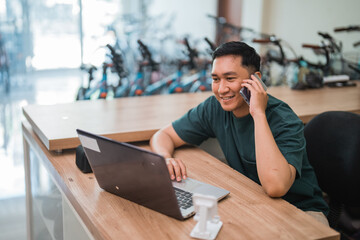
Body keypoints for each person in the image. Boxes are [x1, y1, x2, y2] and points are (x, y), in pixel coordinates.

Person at [150, 41, 329, 225]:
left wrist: (258, 113)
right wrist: (165, 158)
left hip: (302, 211)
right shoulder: (215, 107)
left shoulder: (284, 119)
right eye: (216, 79)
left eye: (230, 78)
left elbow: (276, 187)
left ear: (256, 79)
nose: (221, 89)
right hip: (254, 203)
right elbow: (163, 135)